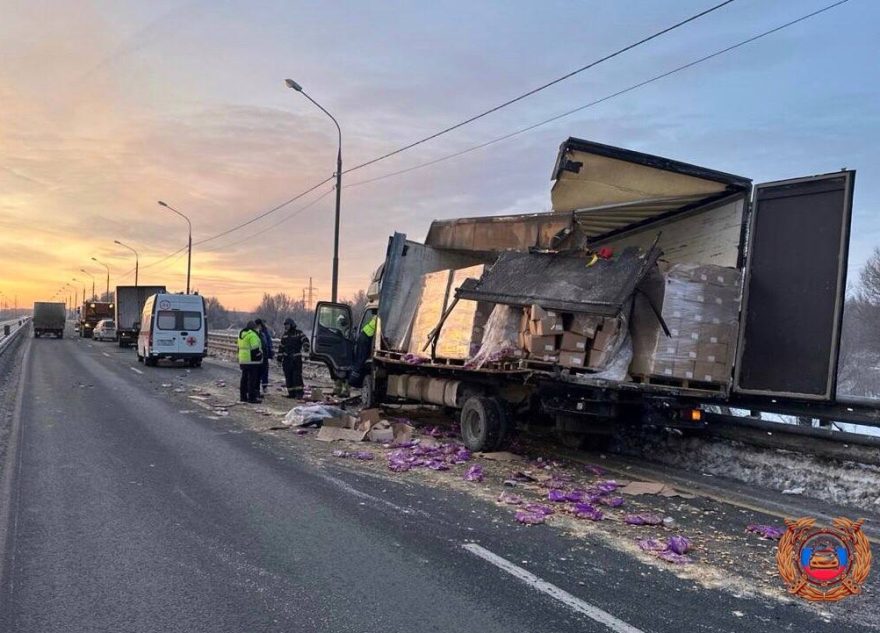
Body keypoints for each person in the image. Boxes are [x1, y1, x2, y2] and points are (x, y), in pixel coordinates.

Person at [276, 318, 309, 399]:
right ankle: (291, 393)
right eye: (285, 325)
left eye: (287, 325)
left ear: (291, 324)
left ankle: (299, 394)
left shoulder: (298, 333)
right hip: (287, 360)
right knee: (288, 377)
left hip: (296, 359)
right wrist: (279, 359)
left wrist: (306, 346)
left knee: (297, 376)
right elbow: (281, 348)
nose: (286, 327)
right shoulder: (285, 335)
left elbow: (305, 339)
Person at [237, 321, 263, 403]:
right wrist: (260, 356)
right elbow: (255, 348)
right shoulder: (252, 335)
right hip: (252, 361)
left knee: (244, 379)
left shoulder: (242, 335)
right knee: (252, 380)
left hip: (243, 360)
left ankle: (243, 397)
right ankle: (252, 398)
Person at [349, 313, 377, 388]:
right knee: (361, 359)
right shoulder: (382, 317)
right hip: (366, 338)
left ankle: (353, 379)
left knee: (360, 359)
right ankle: (354, 380)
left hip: (364, 335)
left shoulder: (377, 316)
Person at [254, 318, 274, 395]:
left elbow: (269, 343)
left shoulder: (265, 332)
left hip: (264, 355)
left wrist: (270, 353)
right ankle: (257, 388)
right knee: (258, 372)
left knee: (264, 371)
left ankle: (264, 387)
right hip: (258, 355)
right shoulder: (255, 333)